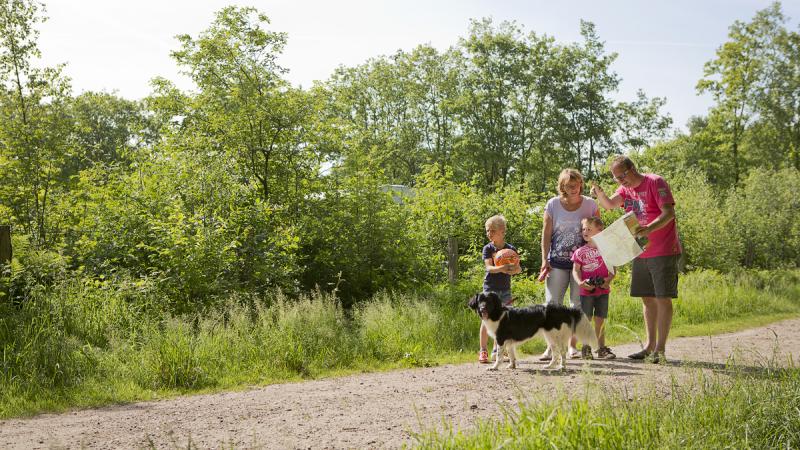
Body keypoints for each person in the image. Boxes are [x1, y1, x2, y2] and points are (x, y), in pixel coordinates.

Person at [591, 155, 681, 363]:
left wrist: (649, 228)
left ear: (632, 168)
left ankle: (660, 349)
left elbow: (669, 213)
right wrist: (600, 193)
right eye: (616, 179)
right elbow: (610, 205)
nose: (621, 181)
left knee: (662, 297)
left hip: (663, 249)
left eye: (622, 175)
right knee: (647, 298)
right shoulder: (625, 190)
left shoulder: (655, 182)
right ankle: (649, 347)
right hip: (639, 250)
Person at [539, 168, 599, 360]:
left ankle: (572, 347)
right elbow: (546, 235)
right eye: (568, 185)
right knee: (552, 304)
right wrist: (544, 260)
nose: (573, 188)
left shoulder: (590, 205)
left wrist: (599, 259)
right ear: (562, 186)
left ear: (581, 183)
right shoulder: (553, 204)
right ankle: (552, 347)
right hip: (556, 262)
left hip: (582, 265)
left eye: (576, 184)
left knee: (577, 305)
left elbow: (598, 231)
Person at [478, 215, 522, 364]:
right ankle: (483, 350)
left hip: (505, 290)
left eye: (492, 230)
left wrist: (512, 270)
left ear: (502, 231)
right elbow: (489, 268)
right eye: (487, 231)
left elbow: (518, 269)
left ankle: (497, 350)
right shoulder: (488, 248)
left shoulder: (511, 250)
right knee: (486, 319)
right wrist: (502, 268)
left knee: (503, 321)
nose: (489, 234)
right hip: (490, 290)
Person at [571, 216, 616, 359]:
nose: (585, 231)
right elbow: (576, 270)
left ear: (600, 231)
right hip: (587, 291)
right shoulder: (580, 252)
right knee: (587, 319)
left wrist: (608, 280)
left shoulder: (607, 249)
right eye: (583, 229)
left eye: (589, 229)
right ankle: (586, 348)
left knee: (600, 320)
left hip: (603, 290)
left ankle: (601, 348)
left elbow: (613, 269)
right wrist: (580, 283)